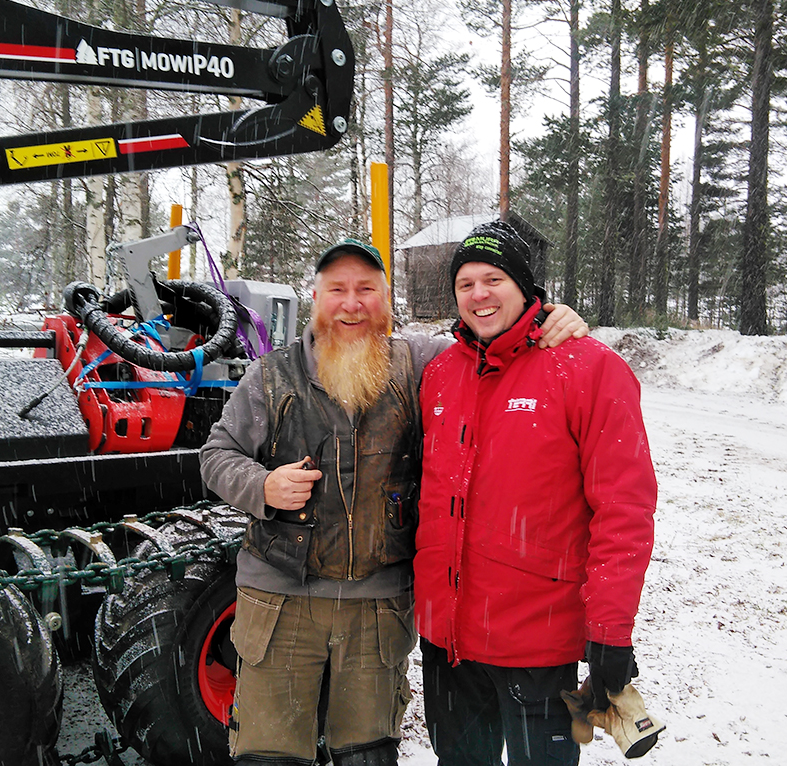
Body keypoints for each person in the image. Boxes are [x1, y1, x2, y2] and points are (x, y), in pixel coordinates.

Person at [199, 237, 588, 766]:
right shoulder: (270, 377)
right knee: (270, 754)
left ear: (387, 300)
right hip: (280, 601)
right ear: (315, 296)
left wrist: (550, 320)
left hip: (377, 608)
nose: (352, 303)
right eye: (337, 289)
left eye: (367, 289)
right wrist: (260, 487)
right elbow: (216, 455)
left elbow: (493, 339)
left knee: (367, 754)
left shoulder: (422, 363)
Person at [414, 220, 658, 766]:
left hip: (535, 642)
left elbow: (624, 508)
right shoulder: (439, 372)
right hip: (446, 638)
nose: (478, 294)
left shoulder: (590, 369)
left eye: (494, 278)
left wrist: (610, 630)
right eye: (465, 283)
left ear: (527, 288)